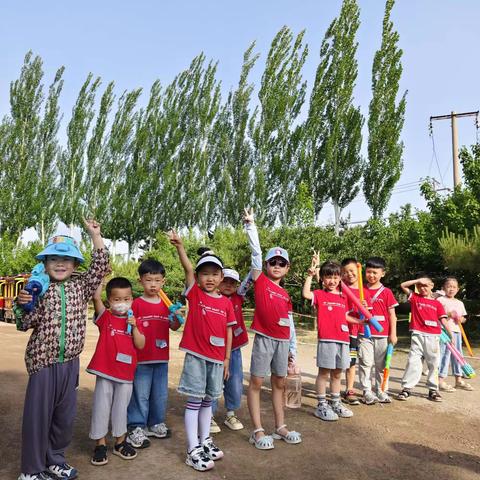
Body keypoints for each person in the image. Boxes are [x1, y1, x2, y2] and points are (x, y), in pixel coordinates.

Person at [14, 220, 110, 480]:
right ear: (45, 263)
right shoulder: (40, 291)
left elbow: (100, 266)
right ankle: (31, 470)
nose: (60, 263)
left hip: (70, 363)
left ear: (75, 265)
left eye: (66, 260)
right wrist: (24, 304)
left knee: (64, 418)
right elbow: (24, 324)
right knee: (38, 418)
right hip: (43, 363)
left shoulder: (81, 287)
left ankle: (55, 459)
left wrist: (95, 235)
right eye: (54, 259)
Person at [169, 232, 236, 472]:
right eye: (204, 274)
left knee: (209, 400)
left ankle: (205, 440)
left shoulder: (227, 303)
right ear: (197, 277)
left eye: (214, 274)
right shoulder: (195, 295)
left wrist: (227, 358)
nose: (210, 278)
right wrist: (181, 248)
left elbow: (229, 333)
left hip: (218, 360)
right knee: (195, 401)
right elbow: (187, 269)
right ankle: (192, 449)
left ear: (221, 277)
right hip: (197, 357)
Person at [244, 208, 302, 450]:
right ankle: (257, 431)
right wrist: (251, 226)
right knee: (257, 383)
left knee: (280, 383)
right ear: (267, 265)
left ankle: (280, 426)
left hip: (282, 343)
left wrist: (292, 352)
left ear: (287, 268)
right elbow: (255, 253)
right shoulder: (260, 281)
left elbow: (290, 326)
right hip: (265, 339)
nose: (277, 265)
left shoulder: (286, 295)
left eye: (282, 263)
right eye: (273, 262)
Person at [87, 277, 145, 466]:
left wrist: (135, 326)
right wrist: (101, 279)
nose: (122, 303)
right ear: (109, 301)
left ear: (132, 299)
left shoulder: (136, 320)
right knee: (101, 407)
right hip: (105, 372)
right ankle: (100, 444)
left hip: (126, 374)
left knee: (122, 408)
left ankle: (120, 442)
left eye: (127, 299)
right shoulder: (105, 317)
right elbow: (95, 298)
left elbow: (141, 344)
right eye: (117, 299)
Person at [126, 259, 181, 449]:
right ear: (140, 280)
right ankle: (136, 426)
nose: (153, 284)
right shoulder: (136, 304)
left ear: (163, 282)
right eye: (149, 280)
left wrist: (176, 316)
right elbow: (128, 328)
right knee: (140, 394)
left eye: (157, 280)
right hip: (141, 359)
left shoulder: (167, 304)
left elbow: (175, 326)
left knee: (159, 394)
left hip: (161, 357)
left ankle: (155, 422)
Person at [303, 257, 362, 421]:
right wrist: (309, 275)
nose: (332, 281)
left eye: (336, 277)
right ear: (322, 278)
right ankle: (321, 405)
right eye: (328, 277)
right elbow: (306, 294)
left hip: (343, 340)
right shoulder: (320, 294)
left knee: (337, 374)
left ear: (340, 278)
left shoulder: (344, 296)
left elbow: (344, 316)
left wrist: (359, 321)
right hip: (327, 340)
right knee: (324, 373)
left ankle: (335, 402)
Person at [210, 267, 251, 433]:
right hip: (214, 349)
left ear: (237, 285)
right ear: (218, 280)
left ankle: (231, 413)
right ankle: (209, 415)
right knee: (213, 381)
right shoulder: (211, 297)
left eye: (232, 282)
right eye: (225, 280)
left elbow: (251, 278)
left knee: (234, 382)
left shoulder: (238, 297)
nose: (228, 285)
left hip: (234, 348)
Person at [397, 277, 451, 402]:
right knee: (413, 361)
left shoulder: (437, 303)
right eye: (420, 286)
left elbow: (443, 320)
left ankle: (433, 389)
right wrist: (418, 280)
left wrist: (450, 335)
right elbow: (403, 284)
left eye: (426, 285)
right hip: (417, 334)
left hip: (433, 336)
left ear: (432, 285)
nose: (423, 288)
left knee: (434, 363)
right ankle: (407, 388)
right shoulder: (415, 298)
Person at [360, 257, 399, 404]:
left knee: (381, 365)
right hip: (364, 332)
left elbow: (392, 315)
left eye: (375, 272)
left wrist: (393, 334)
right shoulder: (361, 290)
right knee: (366, 362)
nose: (371, 275)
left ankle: (382, 390)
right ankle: (367, 391)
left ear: (383, 273)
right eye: (369, 272)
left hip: (382, 335)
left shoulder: (387, 292)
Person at [340, 258, 372, 405]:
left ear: (358, 271)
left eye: (352, 270)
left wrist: (364, 306)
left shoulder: (364, 291)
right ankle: (348, 390)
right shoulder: (341, 289)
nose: (349, 274)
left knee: (362, 360)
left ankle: (356, 389)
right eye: (345, 272)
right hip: (348, 331)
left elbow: (369, 314)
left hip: (362, 332)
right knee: (349, 361)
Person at [437, 277, 474, 392]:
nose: (451, 289)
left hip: (457, 332)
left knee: (458, 355)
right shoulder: (440, 300)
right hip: (444, 332)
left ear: (457, 289)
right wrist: (448, 314)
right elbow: (437, 316)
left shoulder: (459, 303)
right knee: (444, 355)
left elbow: (463, 319)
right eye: (449, 286)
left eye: (454, 287)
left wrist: (461, 319)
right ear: (444, 288)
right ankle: (440, 380)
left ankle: (458, 379)